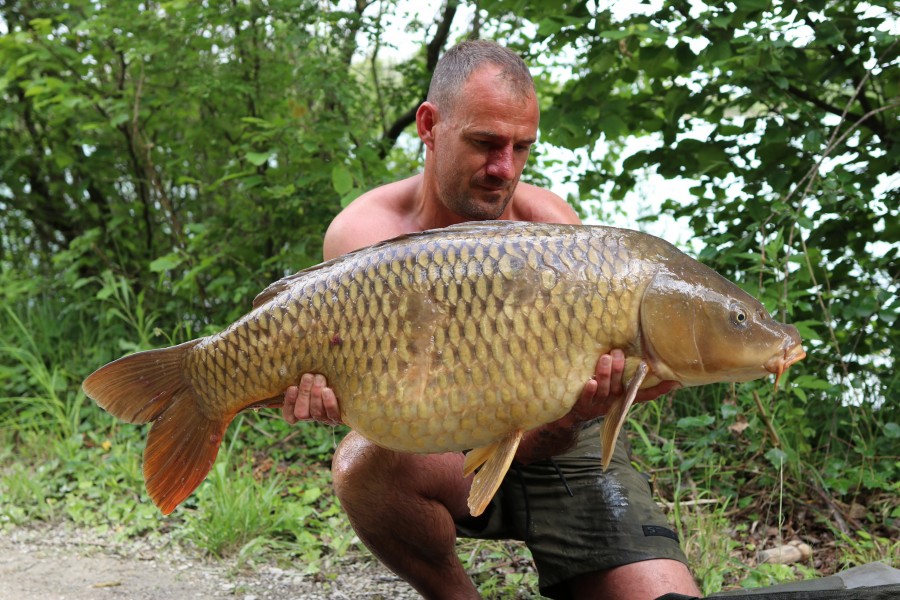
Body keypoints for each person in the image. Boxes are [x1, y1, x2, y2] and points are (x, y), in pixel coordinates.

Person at [282, 39, 702, 600]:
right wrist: (336, 397)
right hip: (442, 439)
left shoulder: (551, 227)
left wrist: (592, 404)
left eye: (521, 147)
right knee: (362, 463)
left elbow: (583, 406)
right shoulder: (367, 236)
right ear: (429, 125)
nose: (505, 169)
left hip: (568, 443)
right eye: (485, 143)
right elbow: (381, 402)